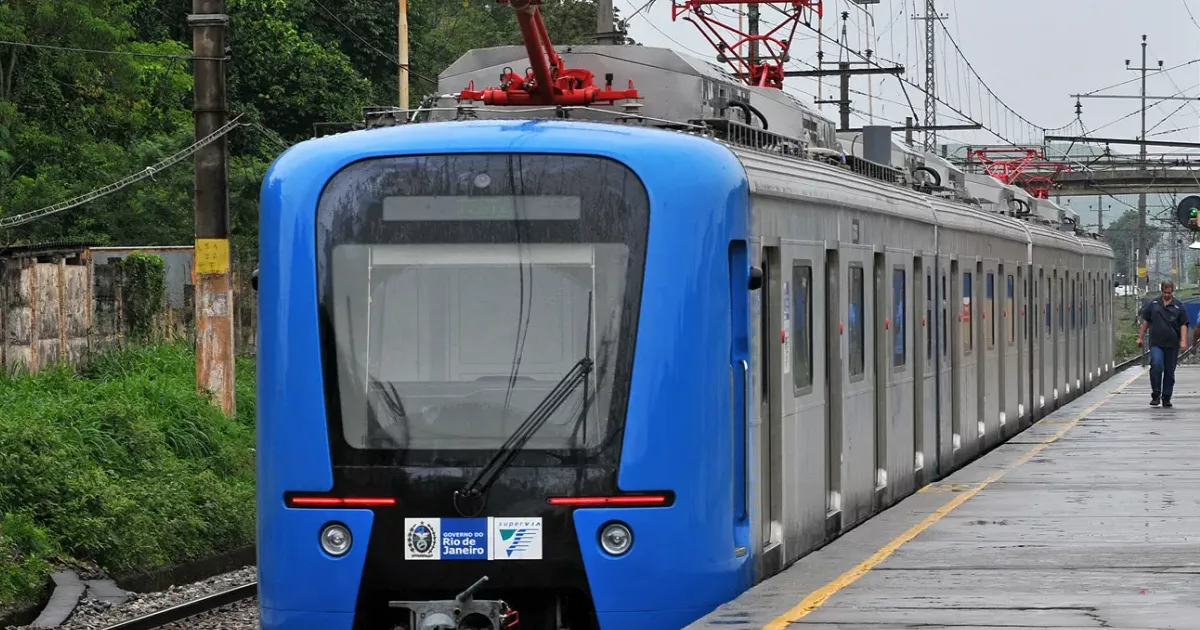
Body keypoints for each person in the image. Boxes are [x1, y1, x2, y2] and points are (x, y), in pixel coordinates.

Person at [1137, 280, 1190, 408]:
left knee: (1169, 371)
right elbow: (1146, 321)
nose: (1167, 295)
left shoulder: (1178, 305)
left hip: (1172, 344)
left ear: (1172, 291)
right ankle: (1156, 394)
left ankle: (1166, 397)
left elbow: (1183, 324)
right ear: (1162, 290)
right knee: (1156, 365)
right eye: (1165, 292)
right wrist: (1140, 337)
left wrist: (1183, 341)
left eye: (1169, 292)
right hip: (1156, 343)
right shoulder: (1154, 303)